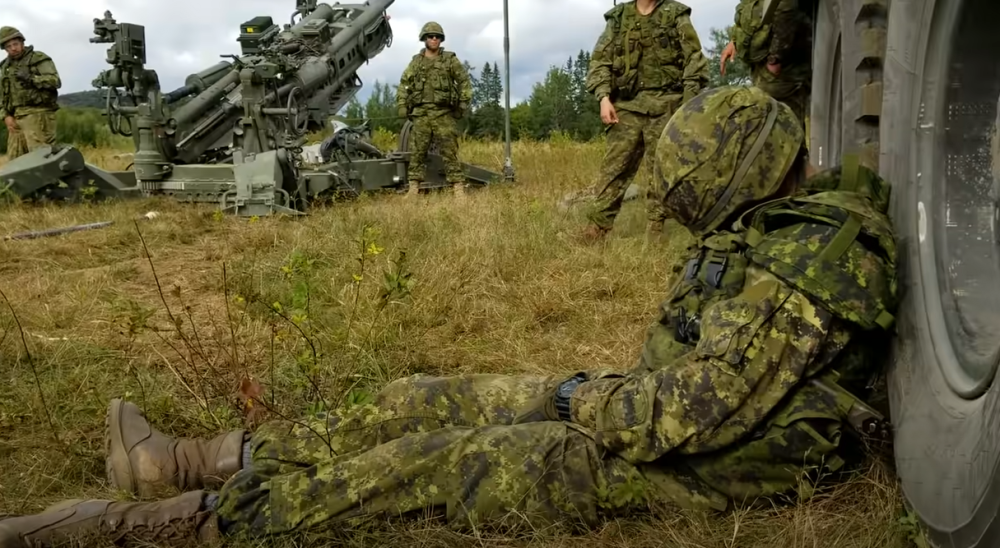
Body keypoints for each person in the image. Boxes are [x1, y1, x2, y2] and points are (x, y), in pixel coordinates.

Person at [0, 86, 899, 546]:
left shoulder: (814, 258)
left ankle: (182, 522)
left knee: (431, 462)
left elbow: (681, 420)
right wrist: (583, 393)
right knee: (420, 397)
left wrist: (578, 402)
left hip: (690, 467)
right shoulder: (776, 230)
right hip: (636, 415)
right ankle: (187, 461)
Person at [580, 0, 709, 244]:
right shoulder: (618, 19)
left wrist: (687, 106)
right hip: (626, 106)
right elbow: (600, 61)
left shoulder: (676, 14)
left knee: (660, 169)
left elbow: (694, 61)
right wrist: (603, 98)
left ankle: (656, 227)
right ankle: (597, 226)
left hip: (667, 104)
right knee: (614, 167)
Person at [396, 21, 473, 199]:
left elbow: (464, 82)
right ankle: (413, 188)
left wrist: (462, 105)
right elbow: (403, 85)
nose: (434, 39)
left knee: (449, 150)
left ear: (441, 39)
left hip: (443, 113)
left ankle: (458, 188)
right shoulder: (416, 62)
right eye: (430, 36)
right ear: (424, 38)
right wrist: (401, 104)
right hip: (421, 114)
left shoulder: (449, 60)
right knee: (417, 152)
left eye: (437, 36)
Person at [720, 0, 813, 127]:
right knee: (768, 127)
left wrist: (776, 57)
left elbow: (787, 8)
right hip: (764, 69)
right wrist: (734, 41)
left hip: (782, 71)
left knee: (784, 129)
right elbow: (751, 11)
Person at [0, 26, 61, 160]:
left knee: (41, 158)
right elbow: (3, 94)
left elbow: (55, 81)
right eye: (8, 46)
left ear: (22, 42)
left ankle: (48, 181)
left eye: (15, 44)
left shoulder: (37, 58)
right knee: (15, 161)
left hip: (39, 114)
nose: (13, 48)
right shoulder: (5, 67)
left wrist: (31, 78)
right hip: (16, 118)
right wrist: (5, 115)